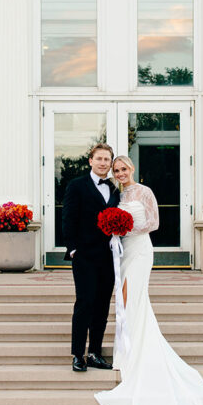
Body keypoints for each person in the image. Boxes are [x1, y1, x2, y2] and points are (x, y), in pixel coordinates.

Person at [96, 155, 203, 405]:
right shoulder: (116, 194)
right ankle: (125, 349)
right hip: (122, 250)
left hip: (140, 249)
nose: (120, 173)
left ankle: (137, 349)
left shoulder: (144, 192)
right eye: (116, 170)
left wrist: (127, 226)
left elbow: (154, 222)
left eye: (123, 169)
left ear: (132, 168)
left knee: (134, 296)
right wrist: (115, 230)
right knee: (123, 299)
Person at [62, 143, 119, 372]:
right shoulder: (77, 186)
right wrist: (73, 248)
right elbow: (68, 218)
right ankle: (78, 354)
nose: (103, 163)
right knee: (84, 304)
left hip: (109, 257)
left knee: (102, 306)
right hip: (84, 256)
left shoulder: (116, 189)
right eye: (100, 159)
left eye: (107, 160)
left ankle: (95, 352)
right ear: (90, 161)